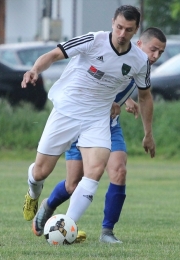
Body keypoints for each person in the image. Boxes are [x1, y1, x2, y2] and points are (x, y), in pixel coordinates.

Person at [22, 5, 155, 237]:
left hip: (97, 118)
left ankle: (65, 227)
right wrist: (35, 69)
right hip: (67, 111)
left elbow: (145, 96)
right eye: (119, 27)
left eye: (129, 30)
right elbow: (54, 54)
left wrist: (148, 133)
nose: (122, 34)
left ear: (136, 31)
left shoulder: (139, 60)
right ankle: (33, 194)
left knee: (94, 171)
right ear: (113, 22)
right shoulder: (94, 40)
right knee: (41, 172)